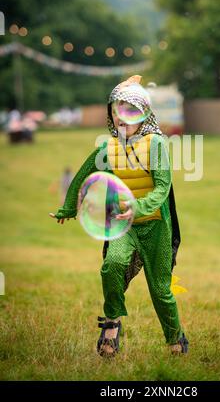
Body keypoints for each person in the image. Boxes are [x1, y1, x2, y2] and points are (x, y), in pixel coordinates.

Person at [49, 75, 188, 357]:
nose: (122, 118)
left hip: (155, 227)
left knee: (160, 289)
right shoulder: (108, 148)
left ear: (143, 116)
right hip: (125, 228)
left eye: (129, 111)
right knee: (112, 265)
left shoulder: (156, 145)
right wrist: (67, 207)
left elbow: (163, 188)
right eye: (117, 112)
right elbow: (83, 175)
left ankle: (176, 339)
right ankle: (111, 325)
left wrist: (139, 206)